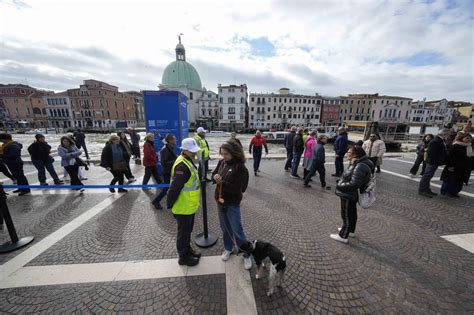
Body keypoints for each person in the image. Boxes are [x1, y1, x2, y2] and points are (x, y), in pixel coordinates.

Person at [212, 140, 252, 270]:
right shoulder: (222, 162)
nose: (224, 157)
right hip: (220, 200)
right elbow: (214, 174)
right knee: (225, 228)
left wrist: (221, 182)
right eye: (222, 154)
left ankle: (246, 253)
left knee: (237, 230)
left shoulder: (240, 168)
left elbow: (240, 189)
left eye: (226, 154)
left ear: (234, 153)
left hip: (233, 203)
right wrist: (215, 177)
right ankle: (228, 248)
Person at [167, 138, 202, 266]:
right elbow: (174, 188)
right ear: (185, 150)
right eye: (192, 151)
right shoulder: (182, 165)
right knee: (183, 233)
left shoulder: (187, 160)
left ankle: (188, 251)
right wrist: (169, 204)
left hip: (189, 206)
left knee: (187, 232)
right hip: (183, 207)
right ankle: (183, 257)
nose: (195, 153)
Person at [331, 145, 374, 243]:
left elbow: (354, 183)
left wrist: (340, 185)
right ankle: (350, 231)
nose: (347, 154)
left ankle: (343, 236)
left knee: (346, 214)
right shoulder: (358, 163)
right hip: (352, 194)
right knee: (351, 213)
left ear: (355, 154)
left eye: (349, 153)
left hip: (349, 193)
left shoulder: (360, 166)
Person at [418, 128, 451, 198]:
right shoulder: (436, 141)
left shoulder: (440, 140)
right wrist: (434, 161)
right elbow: (431, 153)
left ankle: (426, 189)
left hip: (434, 162)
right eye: (448, 134)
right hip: (432, 162)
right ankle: (422, 190)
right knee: (427, 176)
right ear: (444, 134)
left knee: (429, 176)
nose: (449, 136)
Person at [440, 132, 472, 197]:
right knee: (449, 180)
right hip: (453, 167)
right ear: (462, 138)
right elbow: (448, 156)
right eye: (467, 138)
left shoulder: (470, 147)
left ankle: (454, 192)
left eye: (470, 138)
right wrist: (449, 166)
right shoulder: (455, 145)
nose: (469, 140)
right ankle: (445, 192)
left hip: (463, 168)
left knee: (459, 181)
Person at [152, 134, 177, 209]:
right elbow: (164, 163)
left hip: (170, 172)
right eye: (174, 139)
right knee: (166, 189)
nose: (176, 140)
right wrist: (176, 160)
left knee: (170, 188)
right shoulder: (165, 149)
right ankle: (156, 201)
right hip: (167, 172)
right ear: (170, 140)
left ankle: (172, 203)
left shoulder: (170, 147)